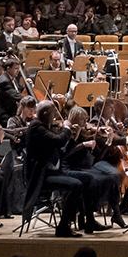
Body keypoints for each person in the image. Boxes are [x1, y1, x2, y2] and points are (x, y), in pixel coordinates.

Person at [22, 100, 88, 237]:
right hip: (41, 177)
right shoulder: (37, 128)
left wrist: (73, 137)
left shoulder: (44, 127)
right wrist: (66, 128)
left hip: (51, 172)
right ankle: (64, 226)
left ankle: (71, 223)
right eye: (53, 114)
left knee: (80, 182)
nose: (55, 117)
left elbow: (61, 152)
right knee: (76, 185)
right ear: (45, 114)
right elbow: (59, 140)